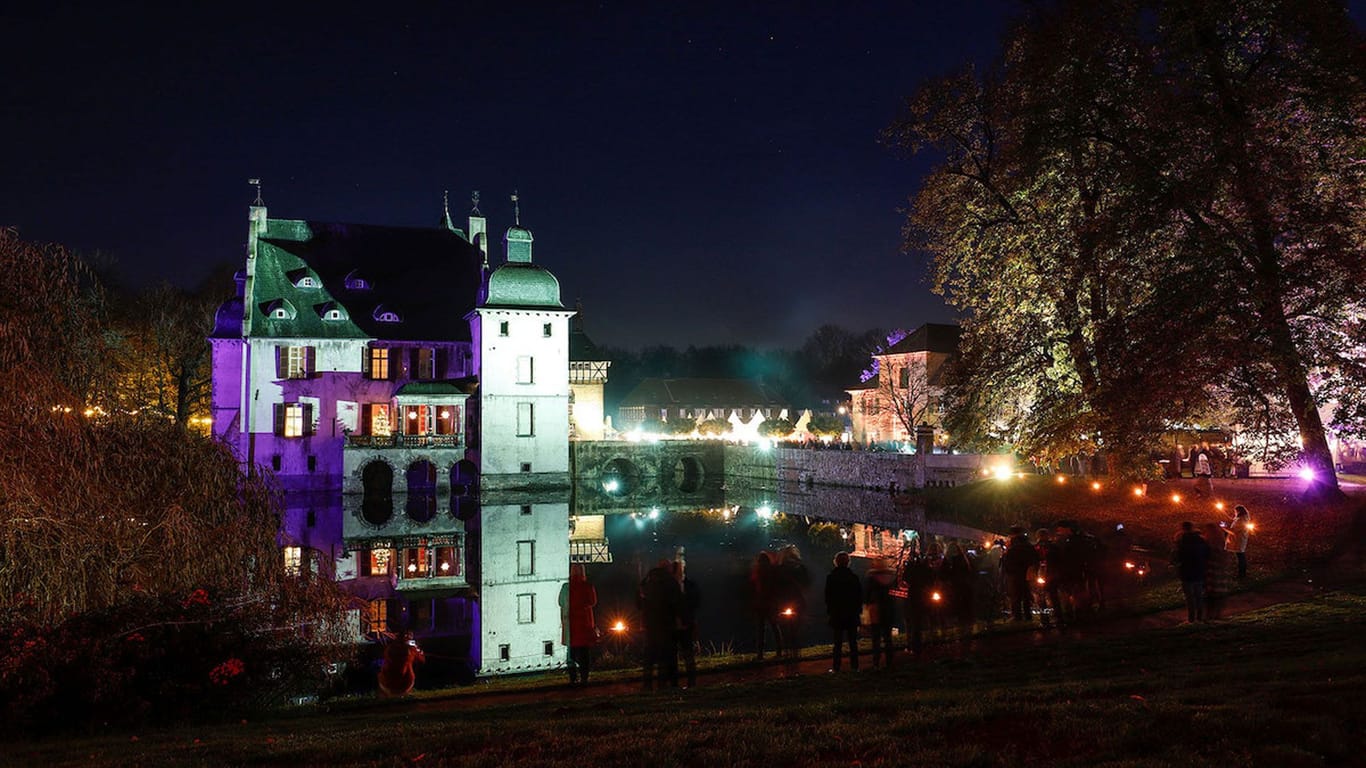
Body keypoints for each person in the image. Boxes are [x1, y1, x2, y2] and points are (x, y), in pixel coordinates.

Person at [639, 558, 680, 689]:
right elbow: (677, 602)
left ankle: (647, 685)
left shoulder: (647, 582)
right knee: (665, 655)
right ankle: (663, 684)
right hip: (666, 623)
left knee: (649, 657)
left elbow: (639, 602)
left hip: (649, 624)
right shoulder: (671, 582)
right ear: (668, 568)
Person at [824, 551, 862, 672]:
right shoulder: (854, 577)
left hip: (837, 613)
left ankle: (836, 666)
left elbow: (828, 596)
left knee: (837, 642)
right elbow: (859, 596)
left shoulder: (831, 578)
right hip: (851, 613)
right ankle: (855, 666)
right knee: (853, 642)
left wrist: (830, 610)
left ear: (836, 562)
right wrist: (858, 610)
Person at [562, 563, 598, 686]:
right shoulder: (588, 586)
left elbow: (561, 602)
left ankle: (572, 678)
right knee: (584, 655)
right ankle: (584, 678)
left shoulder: (566, 587)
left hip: (570, 627)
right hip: (584, 625)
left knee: (571, 654)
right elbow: (593, 602)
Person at [1172, 521, 1211, 623]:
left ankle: (1191, 618)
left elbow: (1177, 557)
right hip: (1200, 571)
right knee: (1199, 595)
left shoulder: (1182, 542)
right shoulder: (1201, 540)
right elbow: (1208, 554)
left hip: (1187, 572)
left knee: (1190, 597)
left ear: (1183, 529)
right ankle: (1200, 616)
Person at [864, 556, 898, 669]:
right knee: (888, 636)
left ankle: (876, 661)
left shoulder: (872, 578)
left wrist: (867, 605)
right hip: (889, 608)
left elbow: (867, 594)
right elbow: (895, 592)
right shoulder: (892, 577)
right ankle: (890, 660)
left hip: (876, 610)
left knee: (876, 637)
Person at [1000, 527, 1040, 622]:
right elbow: (1035, 558)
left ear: (1012, 534)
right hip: (1026, 573)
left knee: (1015, 596)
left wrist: (1005, 556)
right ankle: (1028, 615)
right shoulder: (1028, 545)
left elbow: (1008, 561)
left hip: (1014, 574)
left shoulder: (1013, 546)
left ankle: (1017, 616)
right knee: (1026, 595)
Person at [901, 548, 935, 654]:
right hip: (924, 596)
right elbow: (931, 580)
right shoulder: (926, 568)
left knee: (913, 621)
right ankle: (926, 643)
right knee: (920, 622)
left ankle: (914, 645)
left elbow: (905, 579)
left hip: (913, 596)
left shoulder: (911, 567)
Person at [749, 551, 783, 660]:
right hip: (771, 602)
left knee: (761, 629)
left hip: (761, 603)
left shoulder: (758, 571)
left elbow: (754, 586)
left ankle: (760, 654)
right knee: (775, 627)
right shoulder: (773, 571)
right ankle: (779, 651)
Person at [672, 560, 700, 688]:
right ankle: (681, 683)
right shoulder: (689, 585)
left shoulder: (675, 586)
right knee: (682, 655)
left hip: (683, 624)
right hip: (678, 624)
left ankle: (690, 682)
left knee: (686, 654)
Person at [938, 543, 975, 638]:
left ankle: (953, 632)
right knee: (963, 612)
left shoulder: (948, 561)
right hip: (964, 588)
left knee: (954, 610)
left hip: (953, 589)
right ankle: (965, 633)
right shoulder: (963, 559)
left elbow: (943, 574)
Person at [377, 630, 425, 698]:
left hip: (387, 684)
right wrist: (418, 649)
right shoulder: (411, 651)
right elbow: (422, 660)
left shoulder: (389, 649)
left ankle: (382, 695)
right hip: (404, 685)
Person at [1202, 523, 1231, 620]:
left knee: (1211, 596)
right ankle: (1217, 616)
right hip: (1220, 572)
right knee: (1218, 595)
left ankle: (1210, 616)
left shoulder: (1208, 544)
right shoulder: (1223, 543)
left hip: (1211, 571)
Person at [1225, 505, 1252, 580]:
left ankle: (1241, 575)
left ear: (1239, 511)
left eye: (1235, 511)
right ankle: (1241, 574)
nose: (1235, 513)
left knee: (1240, 557)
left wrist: (1224, 528)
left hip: (1238, 540)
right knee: (1240, 556)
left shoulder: (1241, 520)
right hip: (1239, 540)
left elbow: (1233, 531)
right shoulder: (1241, 519)